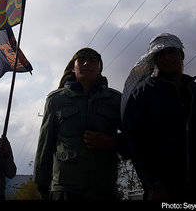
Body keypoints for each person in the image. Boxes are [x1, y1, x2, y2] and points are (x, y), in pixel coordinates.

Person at [121, 33, 196, 201]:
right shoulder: (142, 94)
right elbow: (136, 144)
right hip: (164, 189)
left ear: (181, 55)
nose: (167, 58)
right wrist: (152, 185)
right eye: (160, 54)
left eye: (172, 51)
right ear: (154, 60)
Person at [33, 48, 127, 200]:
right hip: (65, 188)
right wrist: (42, 185)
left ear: (99, 68)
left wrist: (112, 142)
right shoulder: (56, 100)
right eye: (81, 60)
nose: (86, 63)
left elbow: (135, 139)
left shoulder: (115, 100)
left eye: (92, 61)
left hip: (104, 187)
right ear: (72, 67)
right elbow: (45, 145)